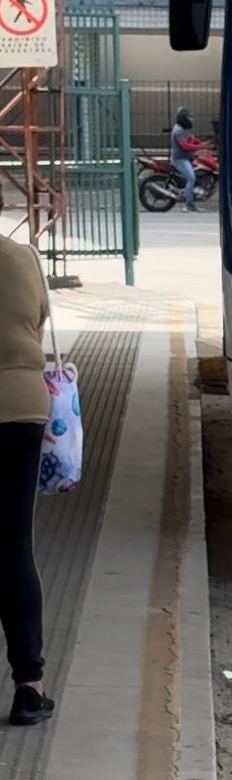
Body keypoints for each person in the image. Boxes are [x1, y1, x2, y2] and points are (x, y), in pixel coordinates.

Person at [0, 206, 55, 726]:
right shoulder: (25, 259)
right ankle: (29, 688)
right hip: (21, 407)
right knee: (13, 544)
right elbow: (36, 333)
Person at [170, 107, 203, 213]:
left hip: (186, 157)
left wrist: (203, 143)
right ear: (184, 118)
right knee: (191, 178)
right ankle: (189, 203)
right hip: (180, 159)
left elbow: (192, 139)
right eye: (190, 117)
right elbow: (185, 145)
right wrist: (200, 147)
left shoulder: (184, 129)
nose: (192, 119)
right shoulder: (178, 130)